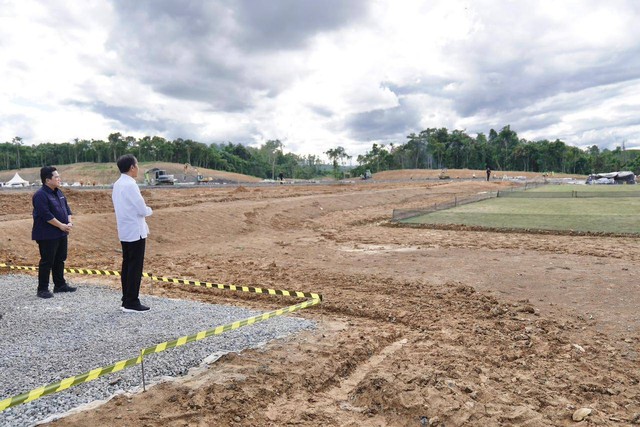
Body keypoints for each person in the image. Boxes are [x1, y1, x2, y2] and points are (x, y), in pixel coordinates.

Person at [112, 154, 153, 313]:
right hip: (135, 230)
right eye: (137, 165)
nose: (138, 168)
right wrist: (150, 210)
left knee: (127, 264)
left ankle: (126, 298)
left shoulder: (117, 184)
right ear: (132, 167)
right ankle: (132, 301)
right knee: (135, 267)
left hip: (124, 229)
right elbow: (141, 208)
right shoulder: (130, 185)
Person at [32, 166, 76, 298]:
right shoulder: (40, 195)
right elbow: (45, 214)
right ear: (47, 180)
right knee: (47, 261)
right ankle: (42, 289)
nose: (59, 179)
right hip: (47, 234)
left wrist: (68, 223)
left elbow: (67, 209)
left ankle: (60, 285)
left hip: (61, 232)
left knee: (60, 259)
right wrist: (61, 225)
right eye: (56, 177)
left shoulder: (59, 192)